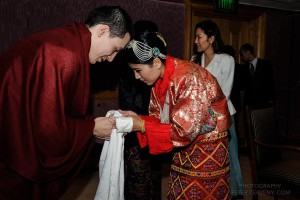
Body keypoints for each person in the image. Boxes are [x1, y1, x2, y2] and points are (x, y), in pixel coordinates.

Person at [0, 6, 132, 200]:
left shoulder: (67, 40)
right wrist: (91, 127)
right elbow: (48, 131)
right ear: (103, 30)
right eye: (115, 49)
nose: (112, 59)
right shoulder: (64, 55)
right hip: (13, 158)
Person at [121, 31, 232, 199]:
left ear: (157, 62)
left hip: (207, 148)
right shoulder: (159, 80)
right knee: (179, 190)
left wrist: (141, 125)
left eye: (138, 70)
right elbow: (158, 118)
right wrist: (138, 119)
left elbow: (184, 131)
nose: (136, 77)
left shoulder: (189, 76)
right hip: (183, 145)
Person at [191, 20, 244, 198]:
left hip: (224, 115)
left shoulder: (227, 60)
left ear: (211, 38)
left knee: (230, 153)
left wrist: (204, 108)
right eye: (195, 37)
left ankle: (236, 192)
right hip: (200, 117)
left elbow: (225, 92)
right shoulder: (194, 60)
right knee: (209, 159)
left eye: (199, 37)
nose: (196, 41)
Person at [118, 20, 162, 199]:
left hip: (153, 126)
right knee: (138, 180)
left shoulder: (155, 63)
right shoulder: (130, 64)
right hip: (137, 128)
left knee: (154, 176)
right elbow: (129, 100)